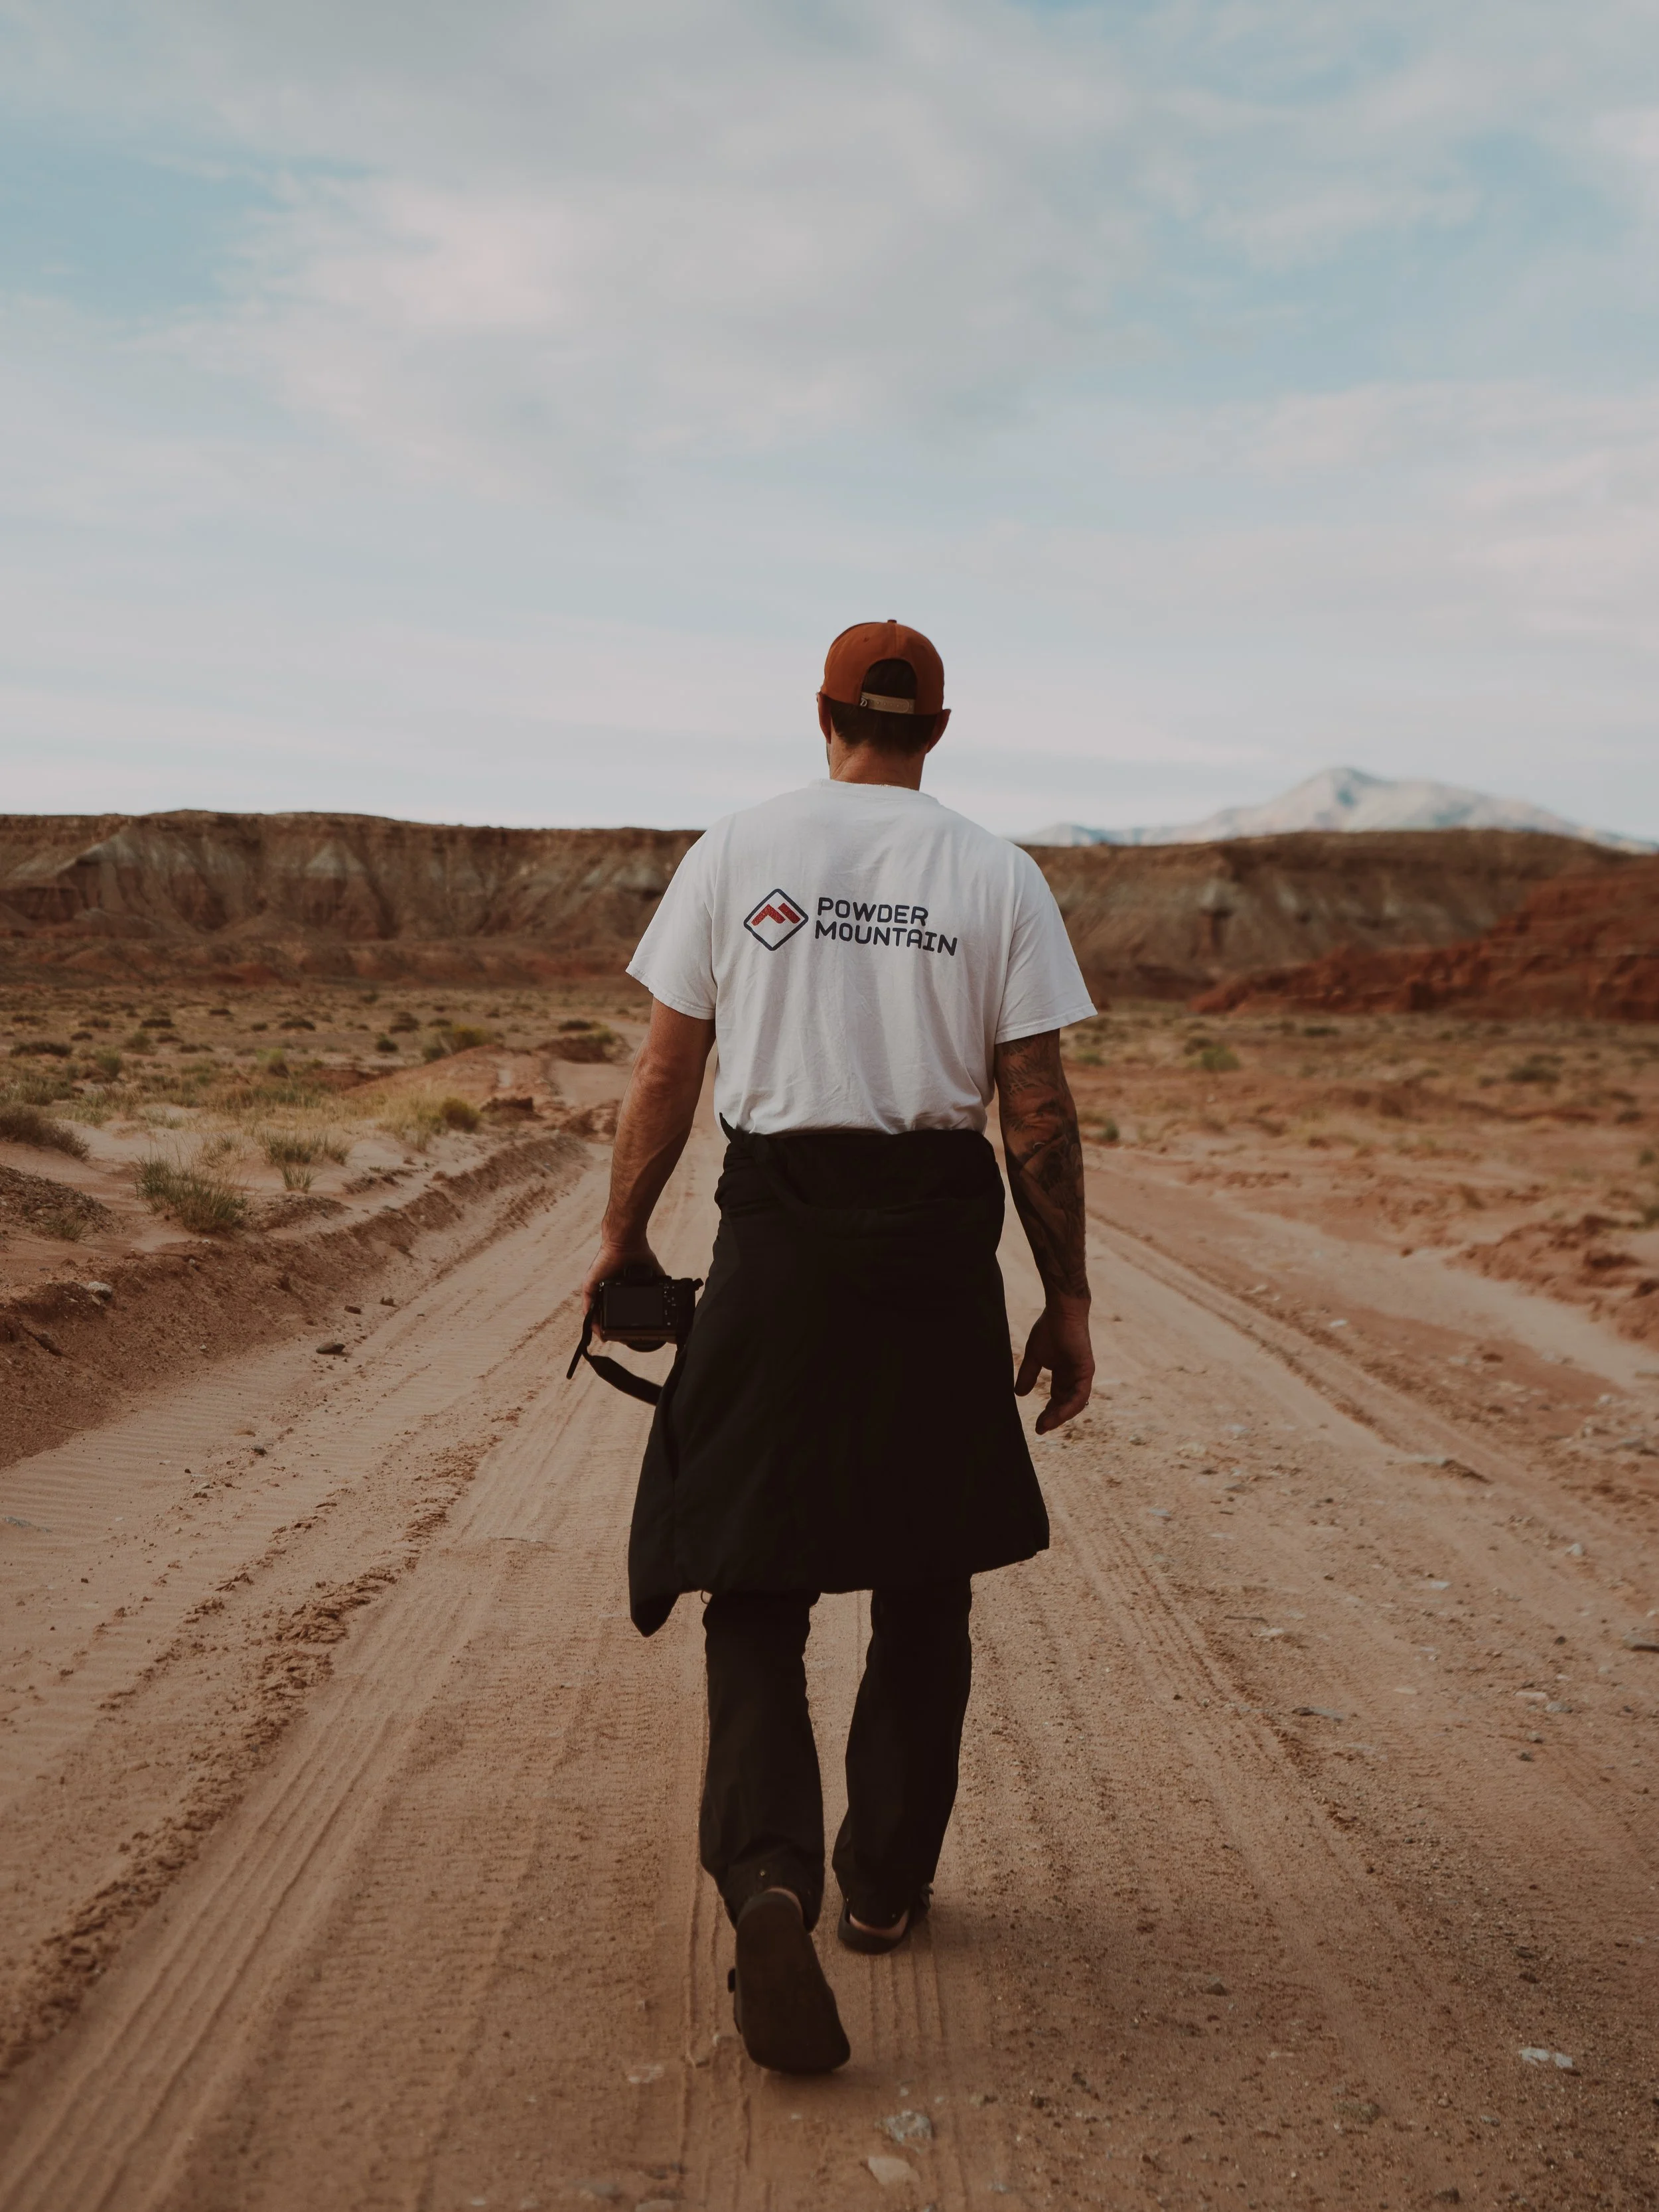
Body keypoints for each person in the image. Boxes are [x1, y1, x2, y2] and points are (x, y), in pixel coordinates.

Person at [581, 619, 1097, 2074]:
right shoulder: (994, 873)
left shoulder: (736, 847)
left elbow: (666, 1067)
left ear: (822, 713)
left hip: (781, 1227)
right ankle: (880, 1886)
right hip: (935, 1234)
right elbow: (1036, 1107)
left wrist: (621, 1239)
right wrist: (1064, 1296)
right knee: (923, 1571)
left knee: (751, 1572)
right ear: (937, 729)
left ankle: (767, 1878)